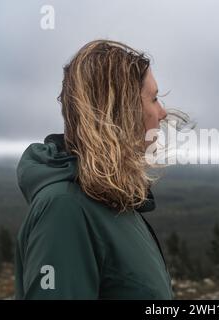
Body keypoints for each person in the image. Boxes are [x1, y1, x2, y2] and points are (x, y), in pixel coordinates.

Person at [14, 39, 181, 299]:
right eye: (154, 98)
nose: (162, 113)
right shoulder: (65, 209)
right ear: (119, 111)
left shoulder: (112, 199)